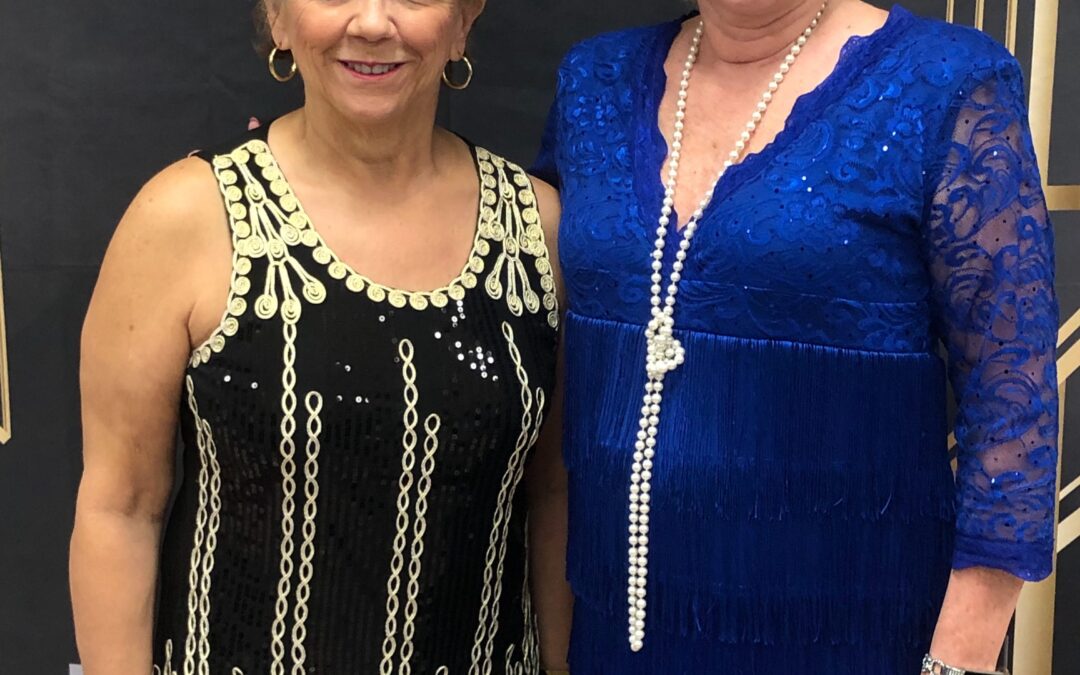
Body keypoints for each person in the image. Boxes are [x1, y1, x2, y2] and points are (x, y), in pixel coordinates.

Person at [533, 0, 1059, 673]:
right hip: (615, 637)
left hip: (858, 641)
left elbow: (1012, 405)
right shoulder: (594, 80)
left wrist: (956, 663)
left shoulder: (947, 81)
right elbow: (548, 378)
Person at [70, 1, 573, 673]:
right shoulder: (187, 216)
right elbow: (121, 507)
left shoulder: (540, 232)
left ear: (462, 21)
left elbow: (555, 496)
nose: (372, 23)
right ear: (277, 17)